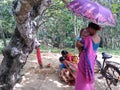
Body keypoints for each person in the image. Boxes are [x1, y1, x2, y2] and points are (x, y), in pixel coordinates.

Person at [75, 22, 101, 90]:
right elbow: (93, 49)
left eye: (89, 28)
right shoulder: (98, 38)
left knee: (82, 75)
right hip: (92, 59)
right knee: (89, 74)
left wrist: (80, 37)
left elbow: (78, 45)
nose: (88, 30)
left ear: (93, 29)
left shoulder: (88, 38)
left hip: (85, 60)